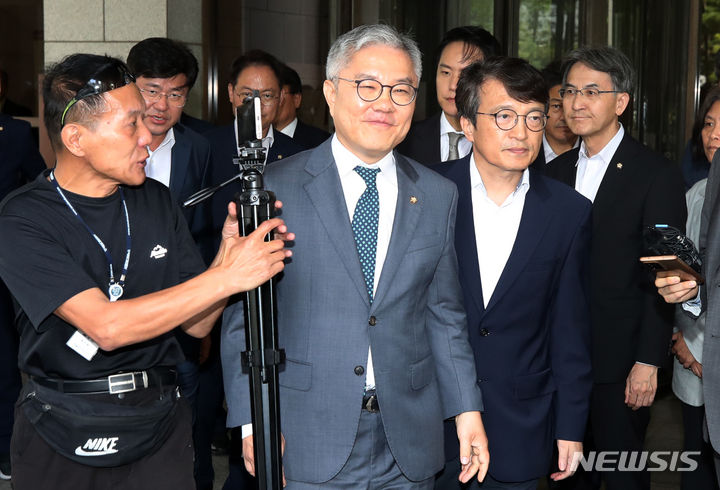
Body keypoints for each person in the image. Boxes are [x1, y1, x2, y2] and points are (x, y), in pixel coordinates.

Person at [0, 53, 291, 490]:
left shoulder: (154, 199)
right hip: (61, 427)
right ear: (76, 139)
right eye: (131, 124)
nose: (148, 135)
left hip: (160, 423)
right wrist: (227, 277)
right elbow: (106, 326)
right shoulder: (23, 218)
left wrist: (225, 257)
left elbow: (198, 324)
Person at [222, 24, 489, 488]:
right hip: (304, 434)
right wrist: (253, 422)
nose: (383, 103)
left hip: (407, 439)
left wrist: (467, 411)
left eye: (401, 90)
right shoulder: (273, 189)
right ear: (329, 91)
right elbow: (242, 316)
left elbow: (444, 314)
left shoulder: (437, 194)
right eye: (366, 86)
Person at [433, 56, 592, 490]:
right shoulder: (427, 196)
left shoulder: (567, 212)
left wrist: (571, 426)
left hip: (521, 423)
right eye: (504, 116)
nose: (521, 132)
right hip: (432, 422)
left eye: (534, 117)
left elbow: (569, 329)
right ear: (467, 125)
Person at [544, 46, 686, 490]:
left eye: (592, 91)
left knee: (621, 475)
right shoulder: (552, 172)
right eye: (570, 91)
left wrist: (648, 361)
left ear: (620, 102)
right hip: (559, 360)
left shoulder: (655, 174)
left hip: (621, 362)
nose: (577, 102)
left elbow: (667, 275)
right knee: (566, 474)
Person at [126, 36, 218, 490]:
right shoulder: (110, 149)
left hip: (183, 318)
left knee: (187, 434)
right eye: (150, 90)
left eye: (175, 93)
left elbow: (201, 235)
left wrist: (202, 316)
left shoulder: (199, 149)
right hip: (119, 319)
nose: (161, 105)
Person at [205, 49, 303, 252]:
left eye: (267, 95)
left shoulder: (299, 155)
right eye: (247, 95)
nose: (257, 105)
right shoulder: (204, 148)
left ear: (281, 97)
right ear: (231, 93)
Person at [0, 112, 47, 481]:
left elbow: (42, 180)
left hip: (4, 261)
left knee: (4, 357)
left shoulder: (15, 132)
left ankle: (5, 447)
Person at [397, 26, 501, 166]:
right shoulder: (404, 140)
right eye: (446, 72)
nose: (453, 85)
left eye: (465, 74)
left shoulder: (505, 142)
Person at [531, 61, 578, 168]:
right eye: (556, 106)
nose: (564, 117)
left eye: (571, 106)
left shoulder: (592, 153)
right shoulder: (526, 152)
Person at [274, 62, 330, 149]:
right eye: (267, 95)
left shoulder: (322, 142)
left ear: (296, 99)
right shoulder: (253, 140)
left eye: (279, 95)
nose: (272, 102)